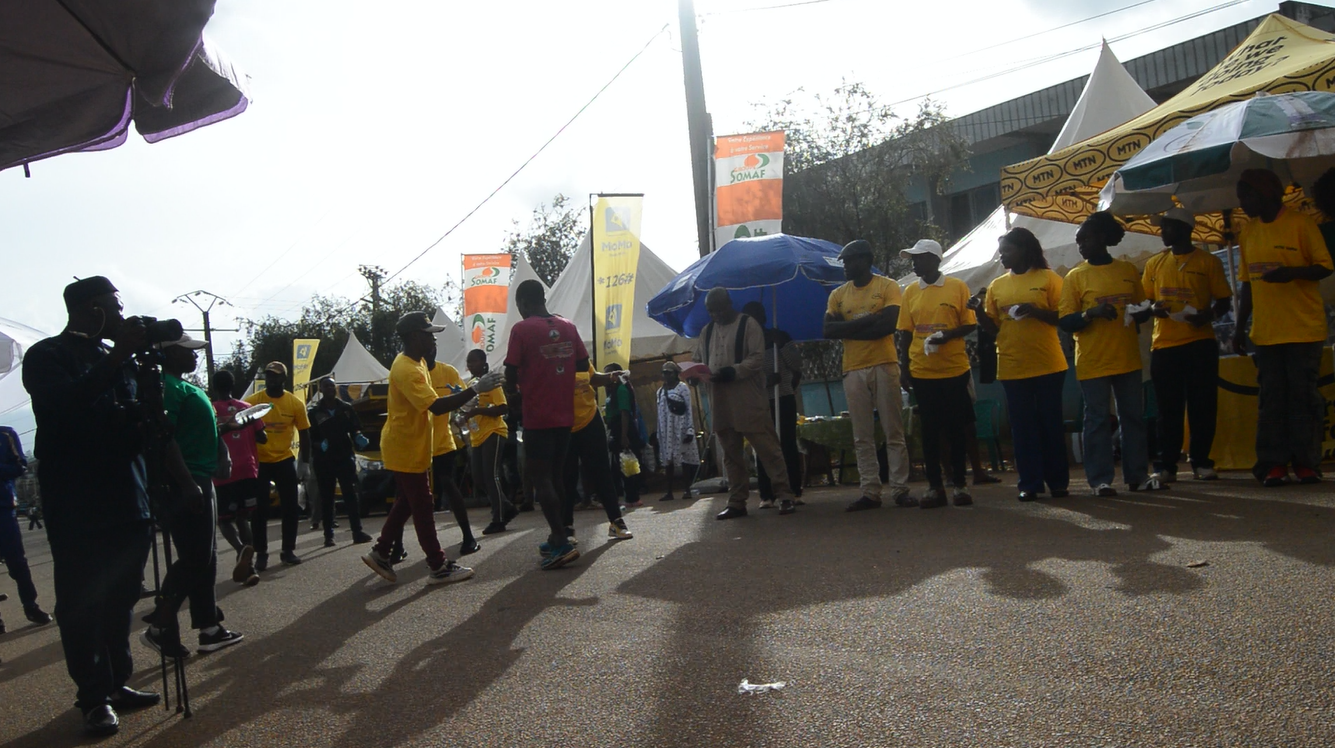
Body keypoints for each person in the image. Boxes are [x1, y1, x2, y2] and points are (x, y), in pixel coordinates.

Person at [22, 276, 161, 736]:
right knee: (82, 603)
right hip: (78, 501)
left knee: (122, 596)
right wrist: (118, 357)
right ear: (91, 309)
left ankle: (118, 682)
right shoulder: (47, 355)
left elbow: (129, 423)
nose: (122, 315)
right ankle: (94, 697)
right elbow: (66, 408)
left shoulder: (118, 357)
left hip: (128, 496)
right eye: (114, 307)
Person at [361, 313, 494, 585]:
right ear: (414, 337)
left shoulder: (416, 362)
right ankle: (438, 565)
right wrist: (473, 390)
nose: (433, 339)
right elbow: (435, 406)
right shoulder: (407, 369)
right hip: (405, 447)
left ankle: (381, 551)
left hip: (410, 445)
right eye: (428, 334)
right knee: (422, 504)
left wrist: (464, 396)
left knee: (407, 502)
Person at [140, 332, 244, 658]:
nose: (195, 356)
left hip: (199, 476)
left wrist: (223, 431)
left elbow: (194, 431)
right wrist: (187, 484)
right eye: (188, 351)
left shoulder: (185, 387)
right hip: (185, 480)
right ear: (169, 353)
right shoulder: (167, 388)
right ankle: (161, 626)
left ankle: (209, 628)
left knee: (204, 557)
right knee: (196, 557)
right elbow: (164, 437)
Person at [1233, 168, 1334, 486]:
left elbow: (1324, 268)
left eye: (1246, 196)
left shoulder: (1301, 224)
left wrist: (1291, 273)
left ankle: (1306, 463)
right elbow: (1247, 284)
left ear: (1265, 193)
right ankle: (1273, 464)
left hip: (1303, 329)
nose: (1242, 204)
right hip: (1266, 333)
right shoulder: (1248, 232)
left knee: (1303, 397)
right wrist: (1239, 327)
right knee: (1271, 399)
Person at [1059, 211, 1164, 496]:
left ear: (1103, 238)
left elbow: (1142, 309)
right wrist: (1090, 313)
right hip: (1093, 361)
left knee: (1133, 418)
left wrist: (1144, 311)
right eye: (1078, 241)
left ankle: (1137, 476)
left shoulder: (1127, 271)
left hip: (1127, 358)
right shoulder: (1075, 277)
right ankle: (1100, 480)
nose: (1081, 245)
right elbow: (1065, 321)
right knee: (1097, 420)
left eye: (1085, 239)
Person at [970, 229, 1070, 501]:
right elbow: (993, 329)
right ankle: (1030, 484)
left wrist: (1036, 311)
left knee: (1050, 425)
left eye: (1007, 250)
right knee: (1022, 428)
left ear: (1024, 250)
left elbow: (1063, 317)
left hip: (1048, 365)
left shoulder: (1049, 279)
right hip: (1012, 367)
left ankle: (1058, 482)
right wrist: (978, 311)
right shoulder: (997, 286)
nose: (1002, 256)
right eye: (1001, 252)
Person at [1142, 208, 1233, 482]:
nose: (1162, 232)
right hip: (1164, 344)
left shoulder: (1208, 262)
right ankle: (1166, 465)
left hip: (1199, 342)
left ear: (1185, 229)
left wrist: (1208, 315)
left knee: (1202, 405)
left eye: (1168, 227)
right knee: (1167, 408)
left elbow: (1224, 300)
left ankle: (1201, 461)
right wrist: (1153, 309)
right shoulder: (1155, 263)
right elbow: (1144, 301)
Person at [824, 239, 915, 511]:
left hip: (884, 364)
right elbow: (828, 331)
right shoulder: (838, 294)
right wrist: (870, 320)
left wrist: (850, 328)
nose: (845, 266)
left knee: (893, 430)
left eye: (849, 261)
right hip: (852, 368)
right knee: (861, 434)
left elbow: (887, 326)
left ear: (865, 260)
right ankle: (870, 491)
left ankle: (900, 489)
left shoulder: (887, 286)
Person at [503, 280, 588, 569]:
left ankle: (561, 541)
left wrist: (514, 395)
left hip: (537, 415)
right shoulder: (568, 326)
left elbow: (510, 370)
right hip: (565, 414)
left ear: (524, 303)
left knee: (540, 478)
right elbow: (582, 365)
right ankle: (559, 534)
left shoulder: (521, 329)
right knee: (556, 476)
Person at [695, 288, 796, 519]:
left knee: (767, 448)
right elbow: (698, 358)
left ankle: (784, 495)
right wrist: (694, 374)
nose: (715, 315)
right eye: (711, 311)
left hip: (747, 397)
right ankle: (737, 501)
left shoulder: (748, 325)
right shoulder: (706, 331)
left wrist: (733, 371)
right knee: (731, 453)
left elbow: (757, 359)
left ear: (729, 304)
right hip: (719, 399)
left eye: (719, 309)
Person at [895, 239, 978, 508]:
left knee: (956, 429)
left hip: (954, 370)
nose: (914, 263)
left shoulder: (957, 287)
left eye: (919, 258)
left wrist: (948, 335)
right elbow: (905, 332)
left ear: (934, 259)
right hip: (922, 372)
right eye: (913, 259)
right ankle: (935, 487)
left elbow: (969, 324)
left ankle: (960, 485)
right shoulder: (910, 292)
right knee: (930, 431)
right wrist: (904, 367)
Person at [245, 361, 311, 569]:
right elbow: (241, 429)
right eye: (269, 375)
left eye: (275, 375)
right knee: (259, 510)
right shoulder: (252, 402)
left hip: (284, 459)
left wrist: (305, 463)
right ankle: (261, 553)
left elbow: (305, 433)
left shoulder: (294, 403)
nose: (271, 379)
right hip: (260, 462)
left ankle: (288, 550)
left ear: (284, 378)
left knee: (290, 507)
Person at [740, 302, 804, 508]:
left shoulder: (780, 337)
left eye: (758, 316)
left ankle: (793, 490)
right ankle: (767, 494)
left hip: (783, 398)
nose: (754, 321)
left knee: (787, 444)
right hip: (759, 400)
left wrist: (782, 345)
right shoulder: (746, 345)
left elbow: (797, 366)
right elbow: (744, 375)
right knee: (762, 446)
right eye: (750, 317)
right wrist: (766, 381)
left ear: (764, 317)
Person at [561, 367, 634, 540]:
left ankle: (616, 522)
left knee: (602, 472)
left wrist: (610, 377)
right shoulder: (549, 358)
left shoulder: (579, 356)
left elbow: (593, 377)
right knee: (567, 477)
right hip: (563, 424)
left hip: (590, 419)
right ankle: (566, 527)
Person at [210, 370, 264, 586]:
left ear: (214, 387)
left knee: (224, 520)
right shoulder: (247, 408)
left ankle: (241, 549)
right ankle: (249, 568)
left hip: (224, 472)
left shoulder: (211, 409)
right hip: (248, 469)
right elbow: (262, 437)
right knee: (243, 517)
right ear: (233, 385)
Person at [306, 377, 375, 547]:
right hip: (324, 461)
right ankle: (328, 535)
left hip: (344, 458)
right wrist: (318, 445)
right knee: (327, 498)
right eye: (326, 386)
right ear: (321, 390)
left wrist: (358, 436)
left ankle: (357, 532)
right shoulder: (314, 412)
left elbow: (355, 428)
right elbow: (309, 438)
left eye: (332, 385)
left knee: (350, 495)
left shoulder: (346, 408)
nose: (330, 388)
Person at [0, 425, 53, 633]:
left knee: (17, 563)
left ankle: (31, 606)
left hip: (4, 509)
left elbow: (20, 466)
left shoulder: (6, 434)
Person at [426, 355, 479, 556]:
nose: (432, 348)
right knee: (405, 493)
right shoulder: (411, 371)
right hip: (416, 442)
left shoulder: (448, 371)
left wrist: (465, 401)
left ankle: (468, 536)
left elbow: (465, 401)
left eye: (434, 343)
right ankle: (396, 545)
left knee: (449, 483)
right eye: (427, 342)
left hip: (442, 441)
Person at [464, 349, 517, 535]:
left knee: (490, 475)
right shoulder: (472, 385)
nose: (470, 365)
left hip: (493, 432)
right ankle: (506, 506)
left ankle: (498, 518)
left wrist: (478, 411)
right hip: (477, 436)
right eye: (468, 362)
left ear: (483, 362)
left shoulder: (491, 383)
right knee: (478, 478)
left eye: (474, 361)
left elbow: (502, 408)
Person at [655, 362, 699, 501]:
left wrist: (690, 429)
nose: (666, 375)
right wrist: (659, 432)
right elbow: (659, 413)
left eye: (669, 373)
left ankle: (687, 490)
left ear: (676, 374)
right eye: (664, 373)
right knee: (668, 461)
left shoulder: (682, 388)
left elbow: (688, 409)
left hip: (680, 427)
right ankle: (669, 492)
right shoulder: (660, 391)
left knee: (685, 460)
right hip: (666, 430)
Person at [603, 362, 644, 508]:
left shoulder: (621, 389)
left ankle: (633, 497)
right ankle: (627, 496)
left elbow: (625, 413)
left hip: (623, 428)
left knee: (626, 463)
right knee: (619, 464)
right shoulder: (611, 391)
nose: (606, 377)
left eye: (609, 373)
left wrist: (624, 435)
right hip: (615, 427)